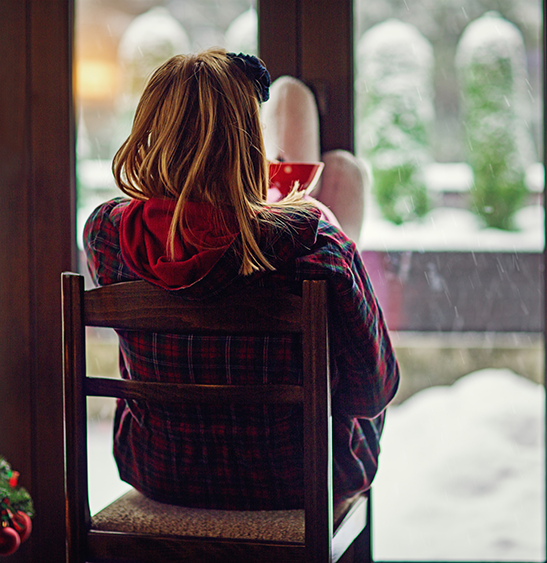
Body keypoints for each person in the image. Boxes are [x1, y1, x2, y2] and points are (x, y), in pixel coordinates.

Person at [84, 47, 399, 510]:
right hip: (302, 480)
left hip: (159, 470)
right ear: (250, 141)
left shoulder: (105, 234)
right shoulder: (315, 242)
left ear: (149, 129)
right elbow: (373, 389)